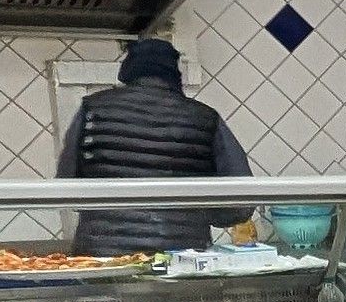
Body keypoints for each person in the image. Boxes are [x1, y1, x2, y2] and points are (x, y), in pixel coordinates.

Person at [55, 37, 253, 253]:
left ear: (128, 71)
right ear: (174, 73)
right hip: (182, 257)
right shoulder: (205, 117)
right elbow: (240, 204)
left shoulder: (93, 108)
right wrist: (199, 215)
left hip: (101, 256)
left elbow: (67, 187)